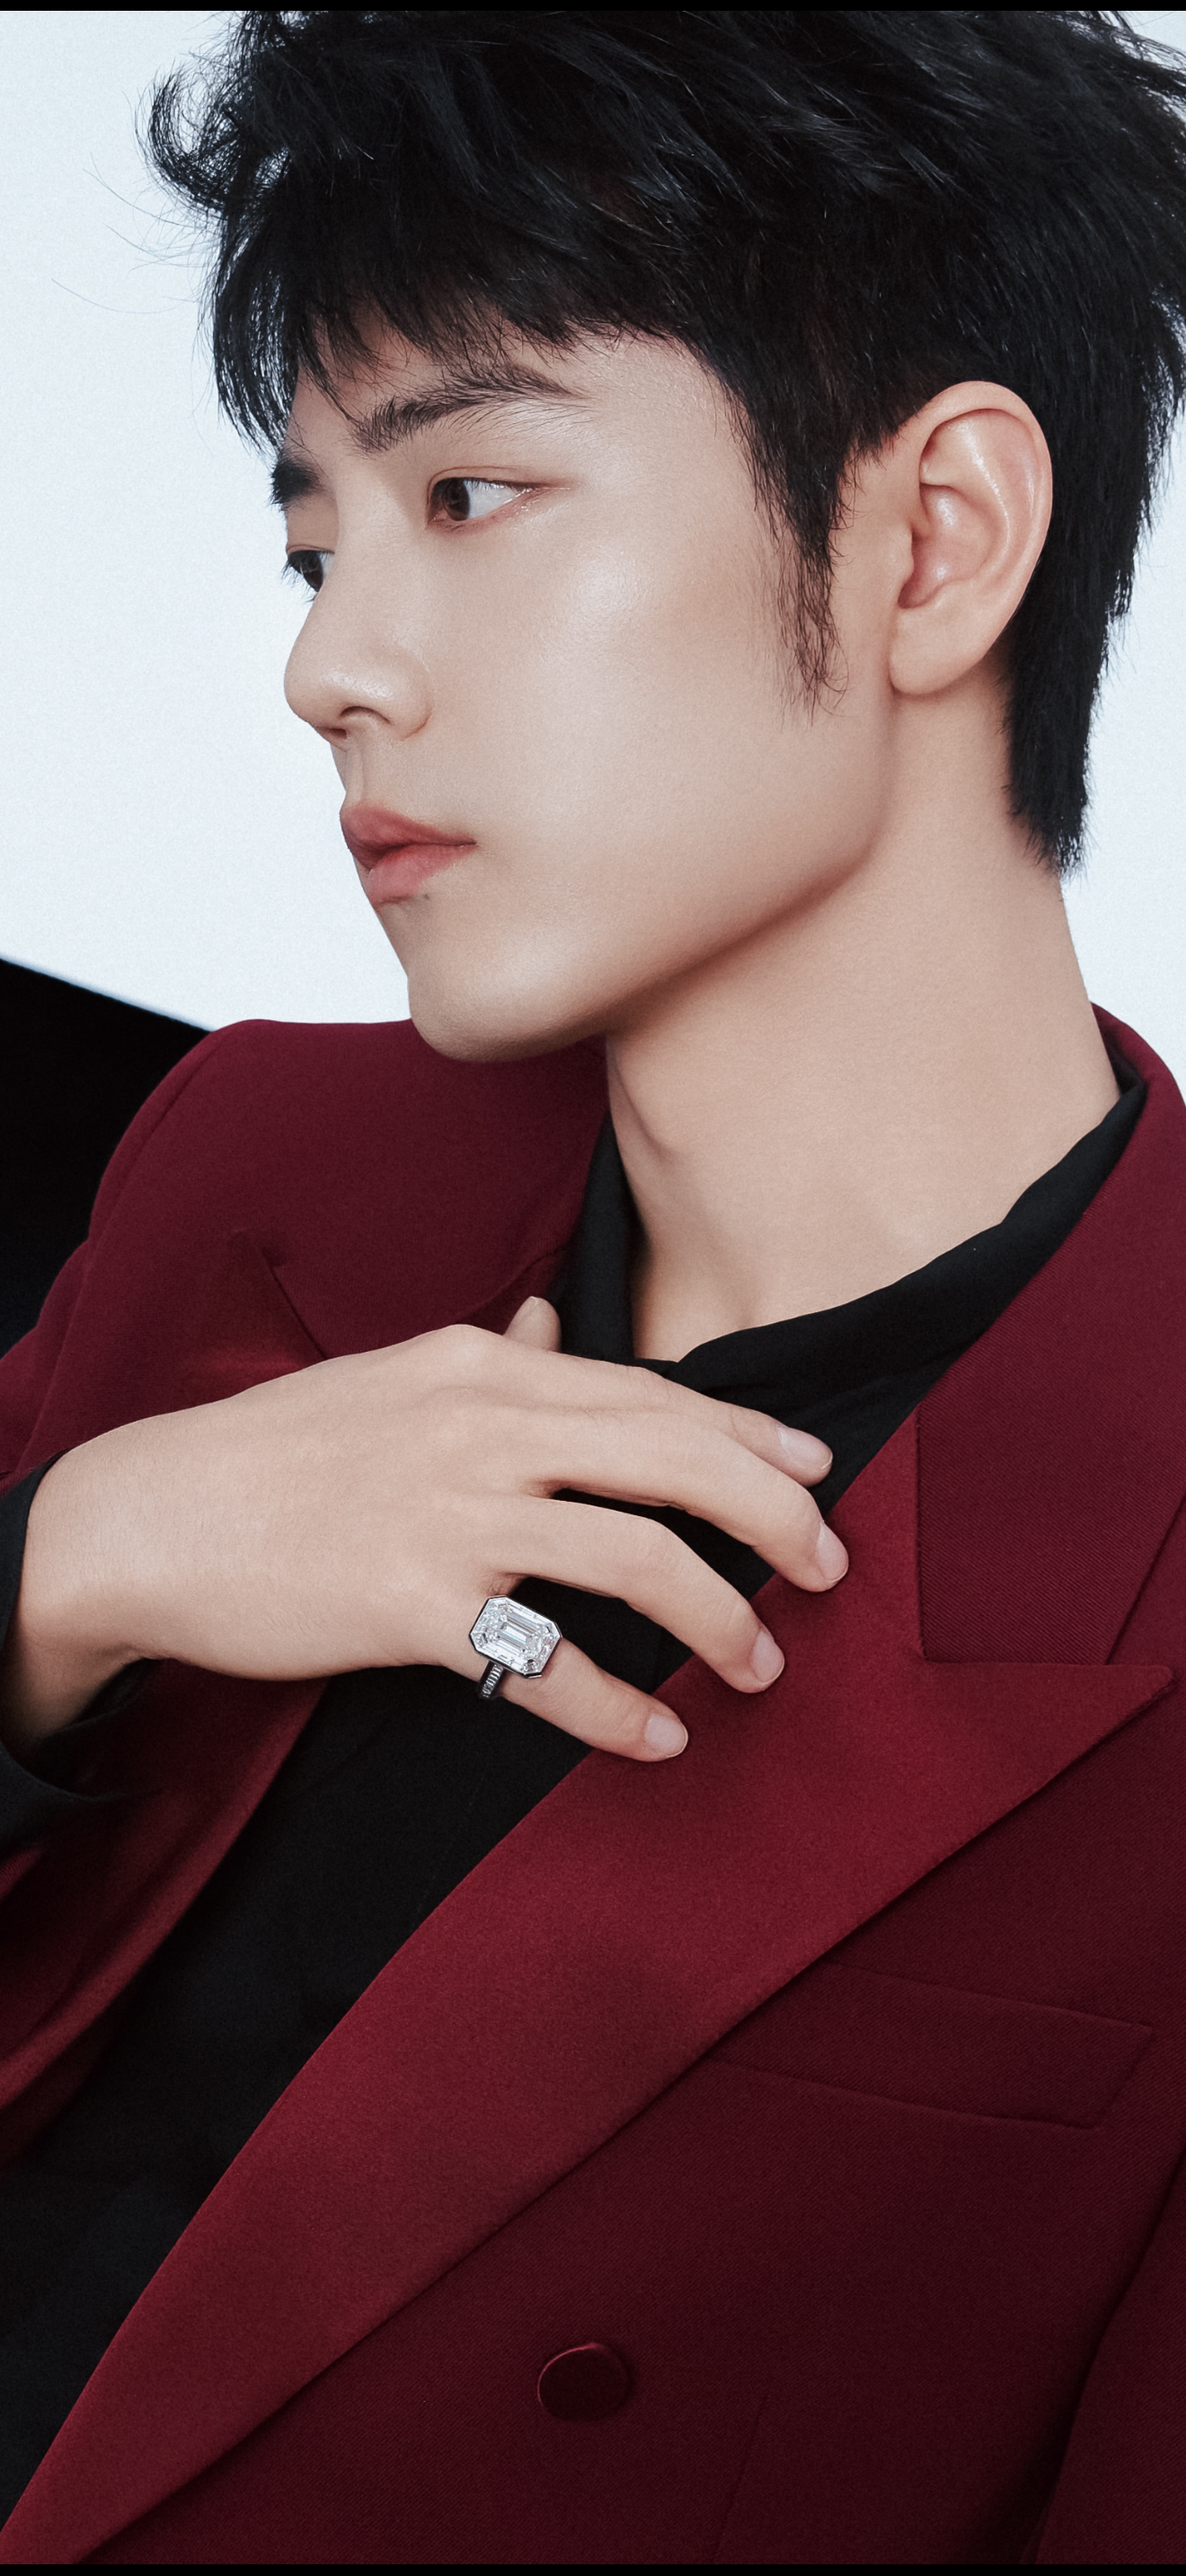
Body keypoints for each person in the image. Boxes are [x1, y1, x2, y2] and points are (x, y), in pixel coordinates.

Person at [1, 9, 1185, 2561]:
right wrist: (69, 1566)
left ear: (936, 540)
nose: (331, 664)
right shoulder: (262, 1159)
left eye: (472, 491)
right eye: (318, 544)